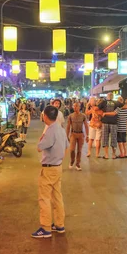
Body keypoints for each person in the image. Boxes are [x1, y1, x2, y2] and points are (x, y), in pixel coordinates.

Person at [32, 106, 69, 239]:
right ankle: (59, 225)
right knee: (57, 197)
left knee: (44, 198)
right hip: (57, 167)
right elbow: (66, 147)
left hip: (48, 168)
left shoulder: (50, 131)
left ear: (46, 116)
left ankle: (45, 228)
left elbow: (39, 147)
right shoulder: (61, 129)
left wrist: (42, 138)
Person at [66, 102, 88, 171]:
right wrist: (67, 136)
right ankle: (72, 161)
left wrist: (87, 135)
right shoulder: (70, 116)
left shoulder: (83, 116)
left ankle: (78, 164)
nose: (75, 108)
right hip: (73, 134)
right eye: (74, 106)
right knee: (72, 149)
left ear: (79, 107)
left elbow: (86, 126)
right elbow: (68, 126)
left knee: (79, 150)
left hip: (81, 134)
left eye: (77, 106)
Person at [99, 92, 119, 159]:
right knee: (114, 138)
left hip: (105, 122)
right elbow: (115, 113)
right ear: (113, 97)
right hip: (114, 122)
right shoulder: (117, 103)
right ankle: (113, 154)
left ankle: (106, 155)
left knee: (105, 138)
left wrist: (103, 114)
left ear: (107, 97)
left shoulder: (103, 102)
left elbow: (97, 108)